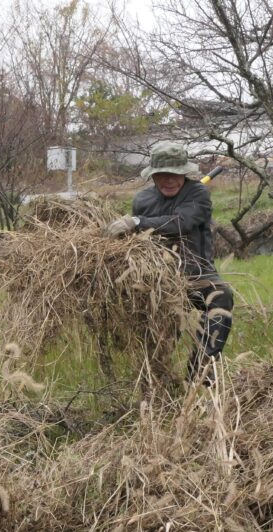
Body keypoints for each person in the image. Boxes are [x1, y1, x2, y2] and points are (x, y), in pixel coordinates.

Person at [105, 141, 234, 383]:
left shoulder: (198, 194)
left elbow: (181, 222)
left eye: (176, 175)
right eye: (163, 175)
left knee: (221, 297)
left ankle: (201, 373)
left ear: (185, 173)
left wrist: (138, 222)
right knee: (162, 335)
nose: (170, 181)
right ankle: (157, 382)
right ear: (153, 176)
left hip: (197, 273)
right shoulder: (143, 200)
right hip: (159, 278)